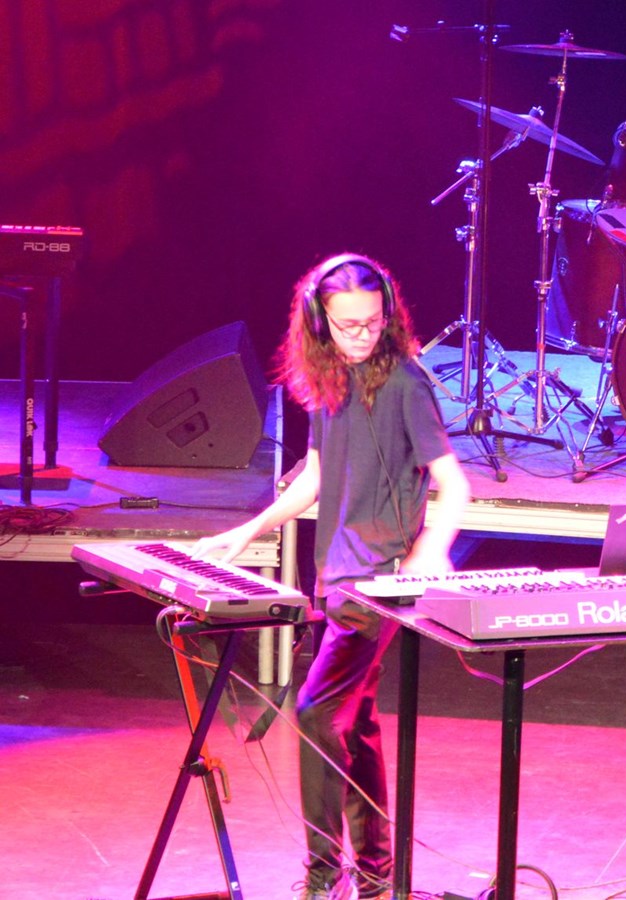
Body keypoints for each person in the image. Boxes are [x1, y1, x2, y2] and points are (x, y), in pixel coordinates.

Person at [193, 253, 470, 900]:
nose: (362, 335)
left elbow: (454, 484)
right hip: (336, 576)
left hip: (378, 584)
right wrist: (249, 531)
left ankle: (324, 878)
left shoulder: (404, 383)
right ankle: (374, 873)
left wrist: (429, 551)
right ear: (320, 322)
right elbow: (316, 476)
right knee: (355, 721)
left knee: (316, 714)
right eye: (348, 325)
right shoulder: (330, 376)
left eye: (372, 322)